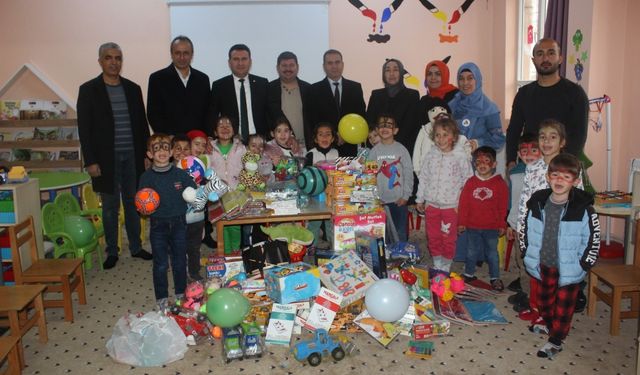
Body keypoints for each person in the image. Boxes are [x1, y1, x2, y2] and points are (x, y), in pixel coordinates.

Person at [77, 42, 152, 270]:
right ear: (100, 61)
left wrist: (146, 154)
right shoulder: (89, 89)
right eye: (109, 58)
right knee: (110, 206)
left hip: (133, 155)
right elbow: (85, 128)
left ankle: (136, 247)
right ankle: (112, 250)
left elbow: (141, 124)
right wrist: (90, 161)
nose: (114, 62)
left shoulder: (132, 88)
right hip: (105, 159)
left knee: (133, 203)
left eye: (118, 58)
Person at [521, 153, 600, 359]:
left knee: (564, 308)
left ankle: (557, 340)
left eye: (566, 177)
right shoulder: (538, 203)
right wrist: (525, 251)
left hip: (570, 267)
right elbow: (526, 228)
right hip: (544, 264)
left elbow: (592, 239)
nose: (559, 180)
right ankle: (549, 325)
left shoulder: (584, 210)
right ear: (548, 177)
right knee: (545, 302)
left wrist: (583, 264)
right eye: (555, 175)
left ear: (574, 181)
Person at [517, 120, 584, 322]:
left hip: (559, 231)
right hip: (536, 229)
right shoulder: (532, 168)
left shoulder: (571, 168)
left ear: (562, 142)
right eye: (543, 136)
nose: (546, 141)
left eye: (552, 137)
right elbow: (525, 199)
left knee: (554, 273)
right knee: (535, 269)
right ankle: (536, 307)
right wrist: (522, 228)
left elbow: (578, 201)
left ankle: (551, 312)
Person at [505, 38, 589, 168]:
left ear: (560, 58)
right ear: (533, 61)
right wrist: (510, 160)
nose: (545, 58)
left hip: (561, 168)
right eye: (540, 54)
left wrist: (563, 165)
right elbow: (513, 131)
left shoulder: (575, 93)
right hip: (528, 165)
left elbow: (579, 135)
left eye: (551, 53)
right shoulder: (524, 94)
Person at [138, 134, 196, 310]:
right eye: (156, 148)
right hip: (158, 225)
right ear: (149, 154)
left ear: (171, 152)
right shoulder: (146, 177)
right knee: (161, 263)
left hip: (179, 223)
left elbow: (193, 190)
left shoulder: (180, 174)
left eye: (165, 148)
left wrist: (195, 193)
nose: (161, 151)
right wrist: (142, 208)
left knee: (179, 261)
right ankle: (162, 298)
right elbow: (140, 201)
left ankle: (180, 294)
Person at [415, 118, 473, 273]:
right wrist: (420, 199)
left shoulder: (460, 156)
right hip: (431, 205)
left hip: (451, 206)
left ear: (453, 137)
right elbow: (424, 177)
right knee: (433, 236)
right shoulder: (430, 155)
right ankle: (437, 262)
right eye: (437, 135)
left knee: (448, 238)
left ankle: (446, 265)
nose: (440, 139)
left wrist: (461, 204)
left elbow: (467, 181)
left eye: (445, 135)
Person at [457, 146, 508, 291]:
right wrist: (461, 222)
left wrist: (502, 224)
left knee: (492, 253)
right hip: (472, 226)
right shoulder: (470, 182)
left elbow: (503, 207)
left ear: (494, 164)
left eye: (487, 161)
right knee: (471, 251)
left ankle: (495, 277)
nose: (482, 165)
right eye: (478, 162)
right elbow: (464, 204)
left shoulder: (500, 184)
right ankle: (468, 273)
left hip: (491, 227)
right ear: (474, 164)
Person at [306, 49, 366, 156]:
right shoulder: (313, 90)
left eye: (337, 62)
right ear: (324, 66)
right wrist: (333, 136)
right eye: (330, 63)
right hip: (324, 149)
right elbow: (311, 120)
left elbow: (360, 115)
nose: (334, 66)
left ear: (342, 64)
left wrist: (345, 135)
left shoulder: (355, 88)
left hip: (350, 146)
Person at [147, 35, 211, 135]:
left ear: (192, 55)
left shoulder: (203, 79)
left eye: (186, 53)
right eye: (177, 53)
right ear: (171, 54)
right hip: (170, 142)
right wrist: (168, 137)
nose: (182, 57)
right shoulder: (157, 79)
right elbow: (153, 113)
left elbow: (208, 113)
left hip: (197, 142)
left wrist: (203, 137)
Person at [368, 115, 414, 242]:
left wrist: (406, 196)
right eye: (382, 125)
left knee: (400, 232)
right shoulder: (374, 152)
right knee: (383, 233)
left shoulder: (401, 150)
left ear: (395, 130)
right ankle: (387, 258)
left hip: (398, 200)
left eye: (389, 125)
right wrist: (373, 197)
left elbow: (408, 172)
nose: (385, 128)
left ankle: (402, 257)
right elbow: (369, 175)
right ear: (377, 129)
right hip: (380, 201)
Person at [505, 133, 540, 296]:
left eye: (535, 150)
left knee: (536, 261)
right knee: (521, 259)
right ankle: (526, 293)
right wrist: (510, 224)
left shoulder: (546, 173)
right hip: (519, 226)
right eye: (525, 151)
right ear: (519, 154)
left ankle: (536, 294)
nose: (530, 155)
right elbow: (512, 200)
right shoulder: (514, 174)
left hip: (538, 227)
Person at [211, 44, 268, 142]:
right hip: (232, 141)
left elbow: (269, 112)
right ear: (229, 62)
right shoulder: (219, 86)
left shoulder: (262, 83)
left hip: (259, 141)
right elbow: (212, 114)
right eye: (236, 59)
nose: (240, 63)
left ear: (250, 62)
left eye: (244, 59)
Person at [448, 62, 505, 152]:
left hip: (480, 162)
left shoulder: (489, 108)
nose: (465, 83)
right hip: (455, 161)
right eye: (461, 79)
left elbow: (498, 139)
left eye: (470, 78)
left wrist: (478, 143)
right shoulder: (452, 105)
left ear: (477, 80)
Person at [209, 116, 246, 254]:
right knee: (221, 227)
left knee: (235, 227)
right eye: (220, 125)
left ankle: (235, 255)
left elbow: (248, 169)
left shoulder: (241, 148)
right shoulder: (210, 150)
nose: (225, 127)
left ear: (234, 130)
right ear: (215, 132)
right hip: (217, 196)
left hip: (236, 195)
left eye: (228, 125)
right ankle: (226, 255)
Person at [365, 59, 419, 152]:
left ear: (401, 73)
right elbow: (370, 122)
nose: (391, 73)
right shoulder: (376, 95)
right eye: (387, 70)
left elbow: (410, 125)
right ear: (383, 74)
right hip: (377, 149)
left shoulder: (412, 95)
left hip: (403, 149)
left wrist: (389, 143)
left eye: (395, 70)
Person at [171, 135, 205, 281]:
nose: (182, 152)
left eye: (186, 149)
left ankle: (194, 271)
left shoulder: (196, 168)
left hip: (196, 216)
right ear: (171, 151)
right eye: (178, 149)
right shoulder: (169, 171)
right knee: (178, 247)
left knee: (194, 247)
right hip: (178, 218)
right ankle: (180, 273)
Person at [305, 123, 339, 248]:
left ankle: (334, 248)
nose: (324, 137)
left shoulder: (336, 153)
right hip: (315, 196)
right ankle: (310, 248)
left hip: (333, 195)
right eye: (321, 134)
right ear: (315, 139)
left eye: (328, 134)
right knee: (315, 222)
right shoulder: (311, 154)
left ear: (333, 138)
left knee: (331, 222)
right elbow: (305, 175)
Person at [267, 51, 311, 147]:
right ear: (277, 68)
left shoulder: (309, 89)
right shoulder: (268, 89)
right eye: (284, 65)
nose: (288, 69)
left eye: (291, 65)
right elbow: (268, 118)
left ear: (297, 67)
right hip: (279, 147)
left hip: (306, 146)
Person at [412, 59, 459, 141]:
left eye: (438, 74)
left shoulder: (456, 96)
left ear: (445, 75)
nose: (433, 78)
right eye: (429, 74)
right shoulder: (424, 100)